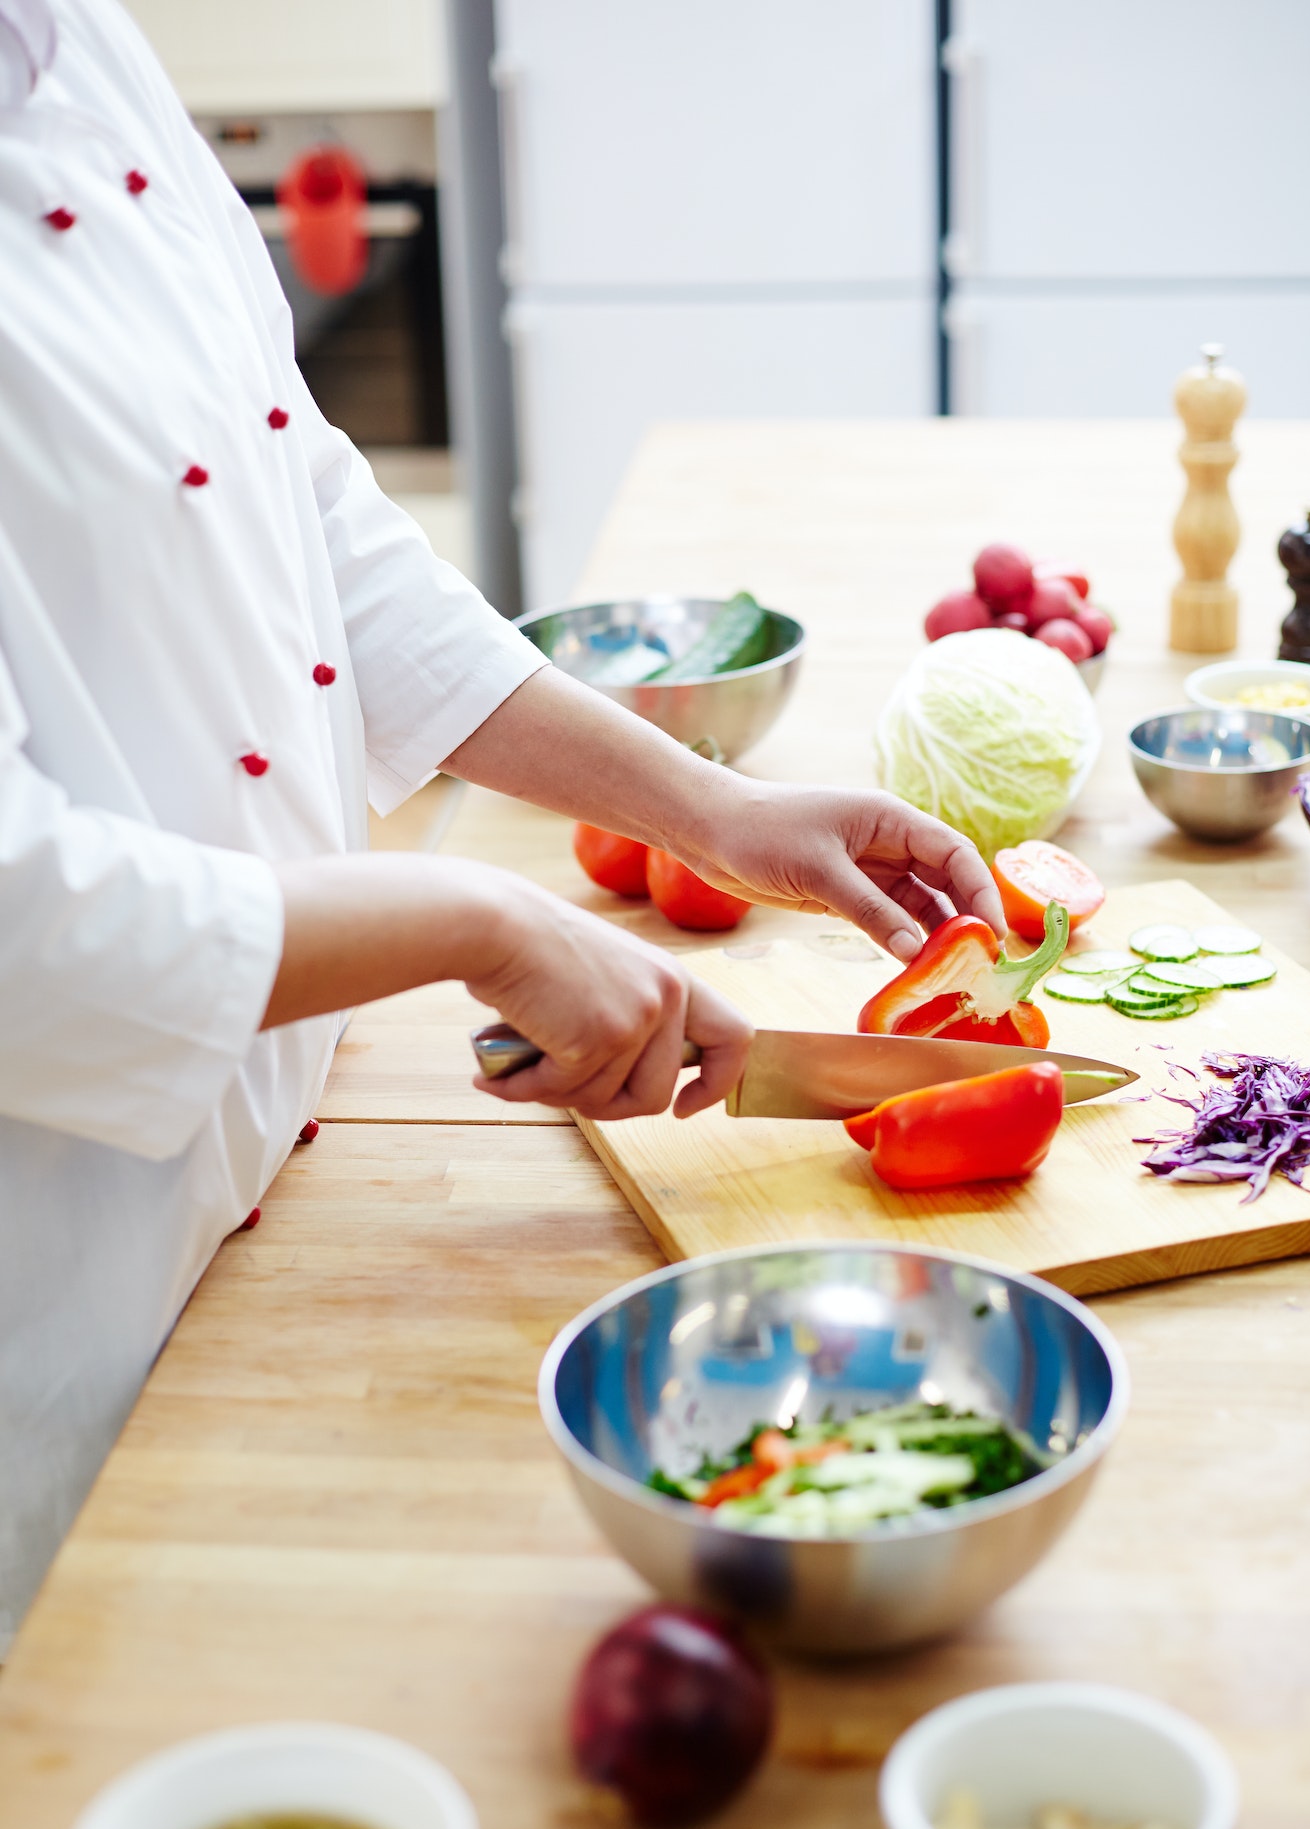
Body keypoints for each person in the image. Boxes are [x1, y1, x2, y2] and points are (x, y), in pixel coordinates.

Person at [0, 0, 1004, 1649]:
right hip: (56, 1309)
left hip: (278, 1194)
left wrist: (714, 807)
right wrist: (483, 923)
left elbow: (299, 497)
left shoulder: (83, 36)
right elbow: (20, 927)